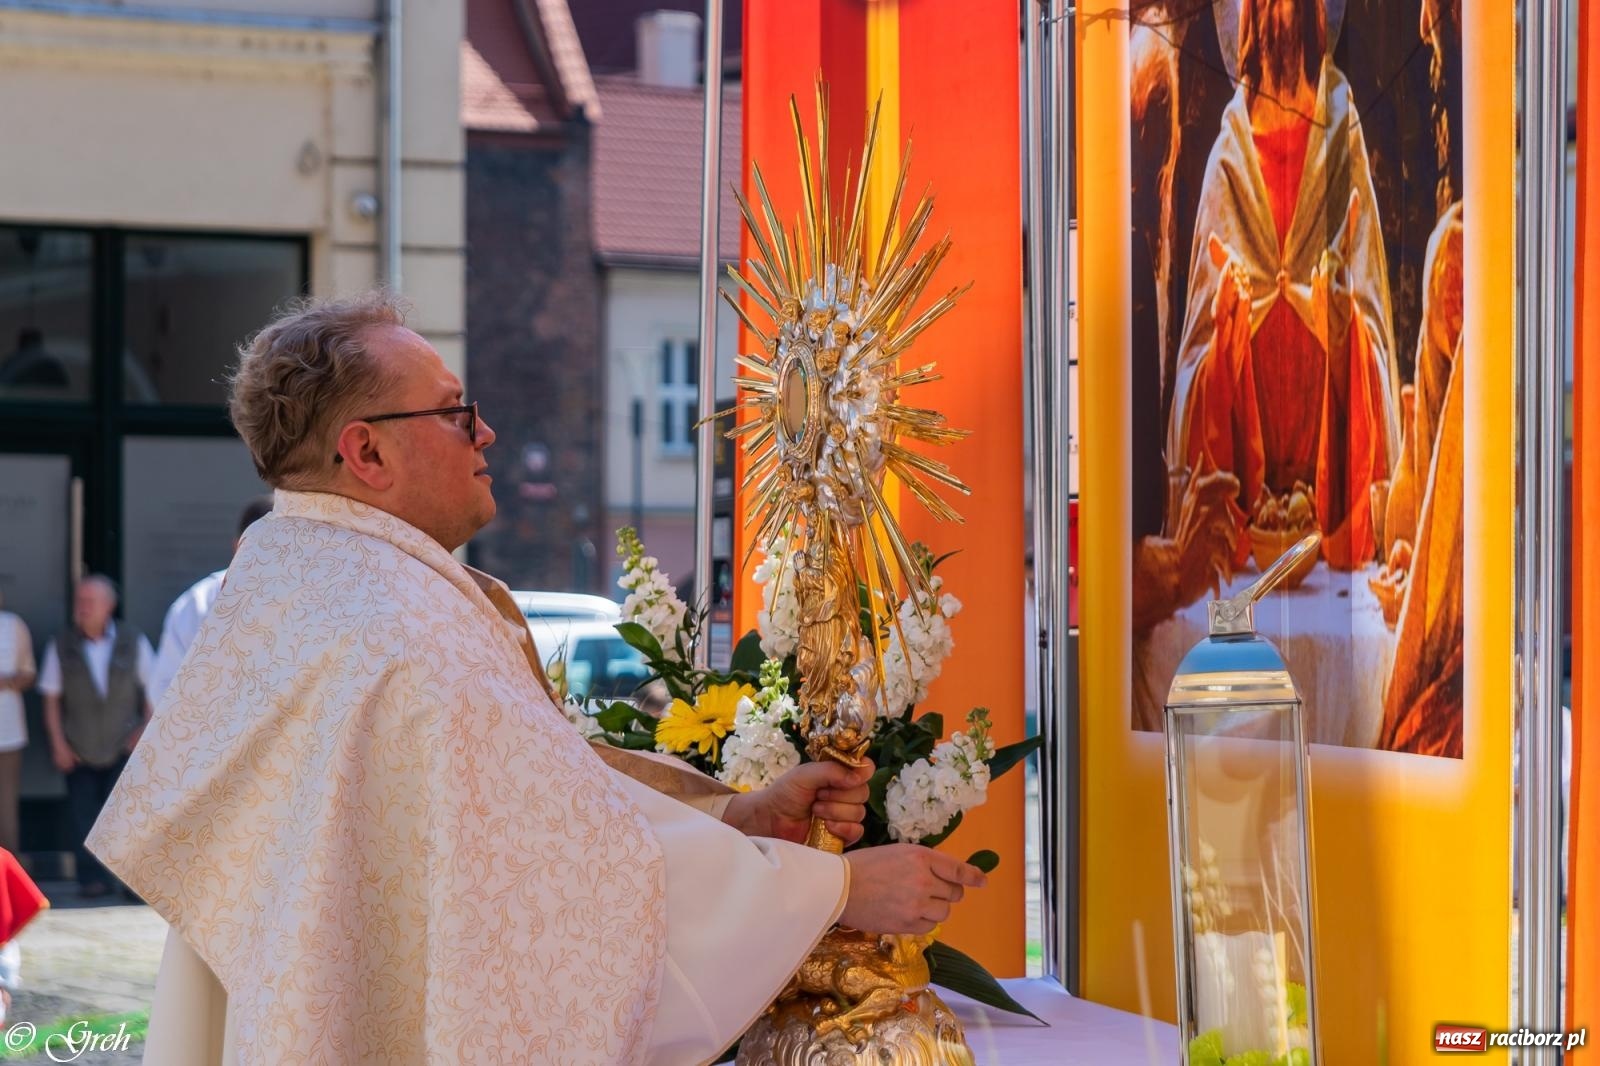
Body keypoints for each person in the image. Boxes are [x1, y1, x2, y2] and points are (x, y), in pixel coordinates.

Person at [87, 291, 986, 1066]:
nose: (485, 431)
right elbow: (566, 893)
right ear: (366, 454)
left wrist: (738, 818)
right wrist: (832, 892)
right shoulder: (399, 635)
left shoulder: (299, 585)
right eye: (452, 411)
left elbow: (534, 808)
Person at [1165, 0, 1399, 572]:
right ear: (1243, 19)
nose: (1277, 9)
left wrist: (1343, 328)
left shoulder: (1340, 137)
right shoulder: (1229, 159)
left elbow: (1370, 321)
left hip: (1330, 486)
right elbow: (1198, 353)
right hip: (1252, 503)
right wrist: (1228, 332)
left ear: (1320, 14)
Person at [38, 576, 152, 899]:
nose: (83, 608)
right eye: (80, 601)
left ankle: (129, 882)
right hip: (79, 748)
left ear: (109, 606)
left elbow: (153, 689)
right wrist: (59, 744)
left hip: (123, 746)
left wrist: (145, 730)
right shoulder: (61, 644)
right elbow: (50, 697)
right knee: (83, 817)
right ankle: (92, 880)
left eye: (91, 601)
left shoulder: (133, 640)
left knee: (126, 818)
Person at [146, 495, 274, 706]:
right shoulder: (199, 603)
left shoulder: (317, 601)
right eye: (267, 544)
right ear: (239, 545)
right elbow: (163, 692)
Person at [0, 592, 36, 857]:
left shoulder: (13, 625)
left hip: (8, 732)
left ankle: (9, 881)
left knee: (6, 807)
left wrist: (8, 682)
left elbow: (28, 673)